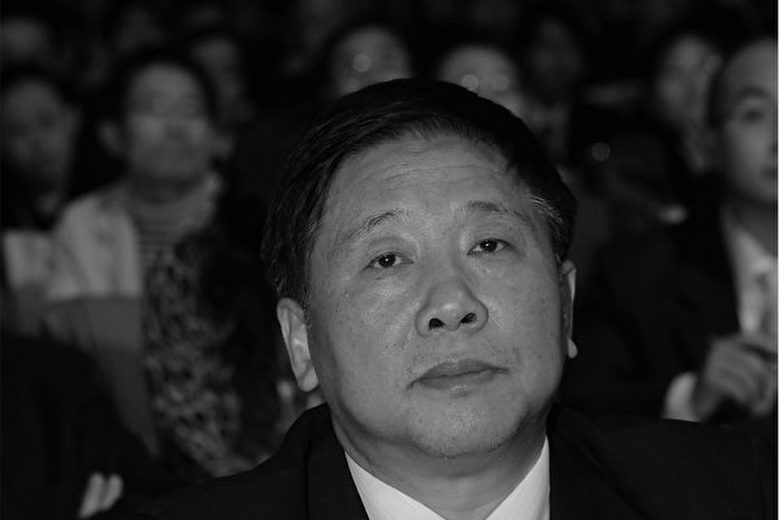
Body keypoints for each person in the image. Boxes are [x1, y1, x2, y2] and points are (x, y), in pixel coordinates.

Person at [138, 79, 774, 519]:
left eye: (489, 245)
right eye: (387, 259)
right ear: (301, 341)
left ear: (565, 303)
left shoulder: (744, 494)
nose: (451, 303)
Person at [561, 38, 777, 440]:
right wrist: (690, 396)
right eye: (754, 114)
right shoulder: (637, 271)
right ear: (708, 140)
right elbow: (580, 409)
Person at [43, 49, 223, 462]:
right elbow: (70, 346)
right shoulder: (81, 224)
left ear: (215, 133)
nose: (176, 127)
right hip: (115, 439)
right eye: (155, 109)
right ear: (113, 134)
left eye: (191, 110)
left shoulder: (253, 217)